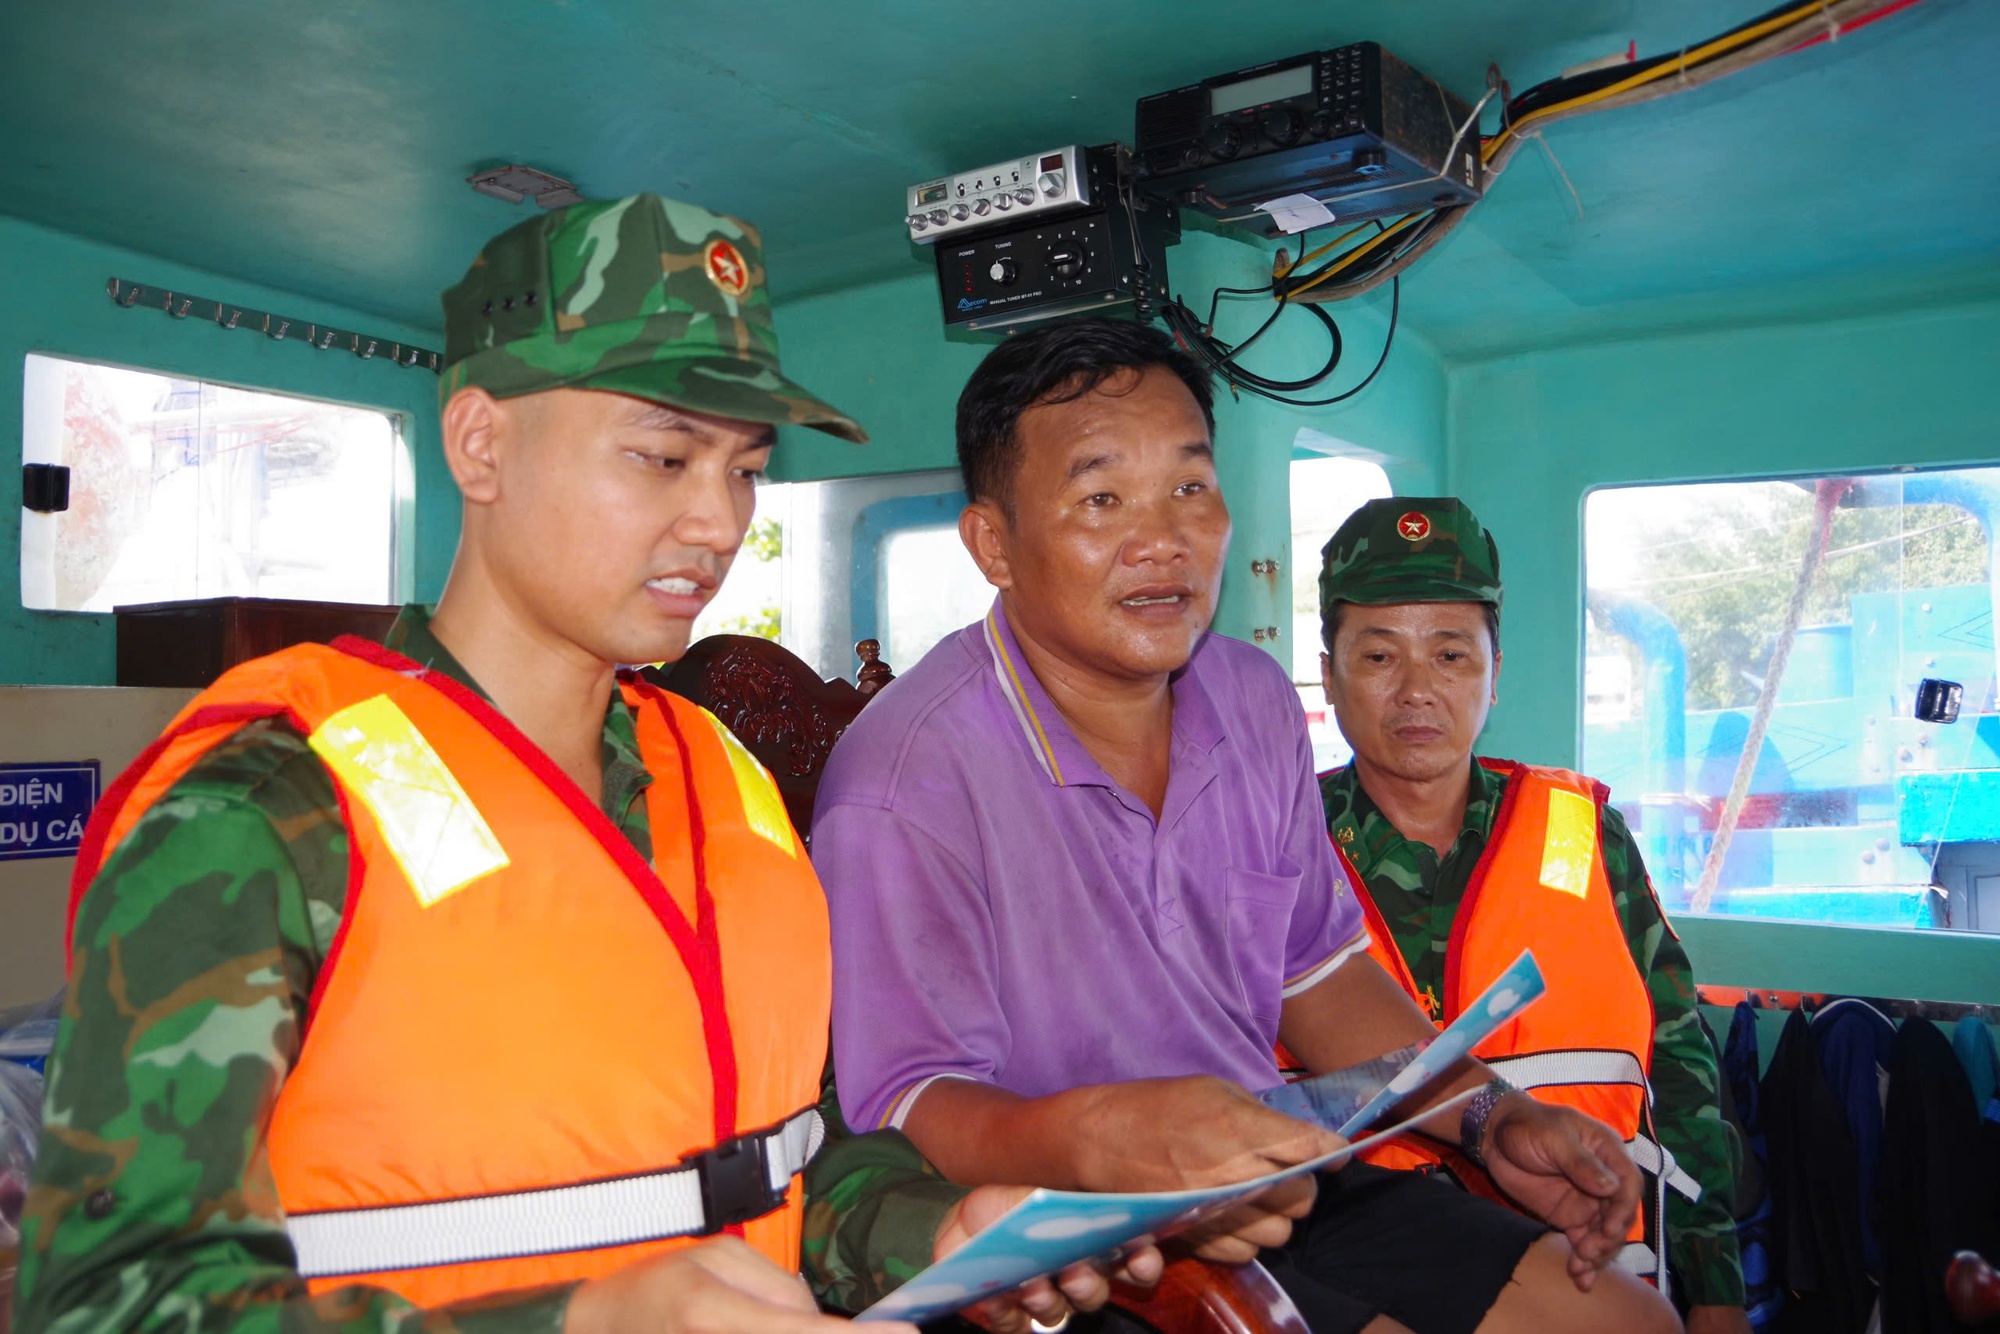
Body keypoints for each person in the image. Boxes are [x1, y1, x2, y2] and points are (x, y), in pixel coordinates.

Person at [17, 194, 1144, 1334]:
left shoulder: (721, 775)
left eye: (744, 469)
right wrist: (585, 1321)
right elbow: (102, 1303)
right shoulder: (269, 808)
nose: (718, 521)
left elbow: (781, 1139)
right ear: (479, 443)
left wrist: (929, 1231)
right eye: (662, 456)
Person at [806, 318, 1682, 1334]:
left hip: (1272, 1171)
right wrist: (1105, 1136)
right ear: (993, 543)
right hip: (1078, 1227)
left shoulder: (1254, 697)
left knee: (1630, 1320)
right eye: (1100, 498)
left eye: (1189, 486)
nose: (1162, 539)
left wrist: (1490, 1116)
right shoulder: (904, 776)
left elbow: (1317, 977)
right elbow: (907, 1103)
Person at [1313, 497, 1749, 1334]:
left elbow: (1680, 1056)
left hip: (1589, 1262)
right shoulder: (1267, 844)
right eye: (1378, 655)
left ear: (1495, 673)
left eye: (1451, 655)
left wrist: (1716, 1292)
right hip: (1356, 1277)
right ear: (1329, 672)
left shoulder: (1585, 835)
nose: (1417, 690)